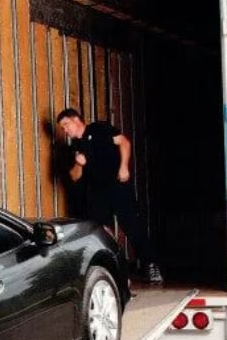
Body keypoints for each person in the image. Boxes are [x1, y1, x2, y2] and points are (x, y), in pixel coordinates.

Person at [56, 108, 163, 285]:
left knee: (132, 226)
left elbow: (124, 143)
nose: (64, 130)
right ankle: (116, 271)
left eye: (65, 125)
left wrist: (124, 167)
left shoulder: (99, 129)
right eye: (62, 128)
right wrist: (78, 163)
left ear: (76, 120)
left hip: (117, 187)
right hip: (96, 195)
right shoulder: (74, 147)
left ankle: (151, 265)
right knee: (103, 234)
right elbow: (74, 176)